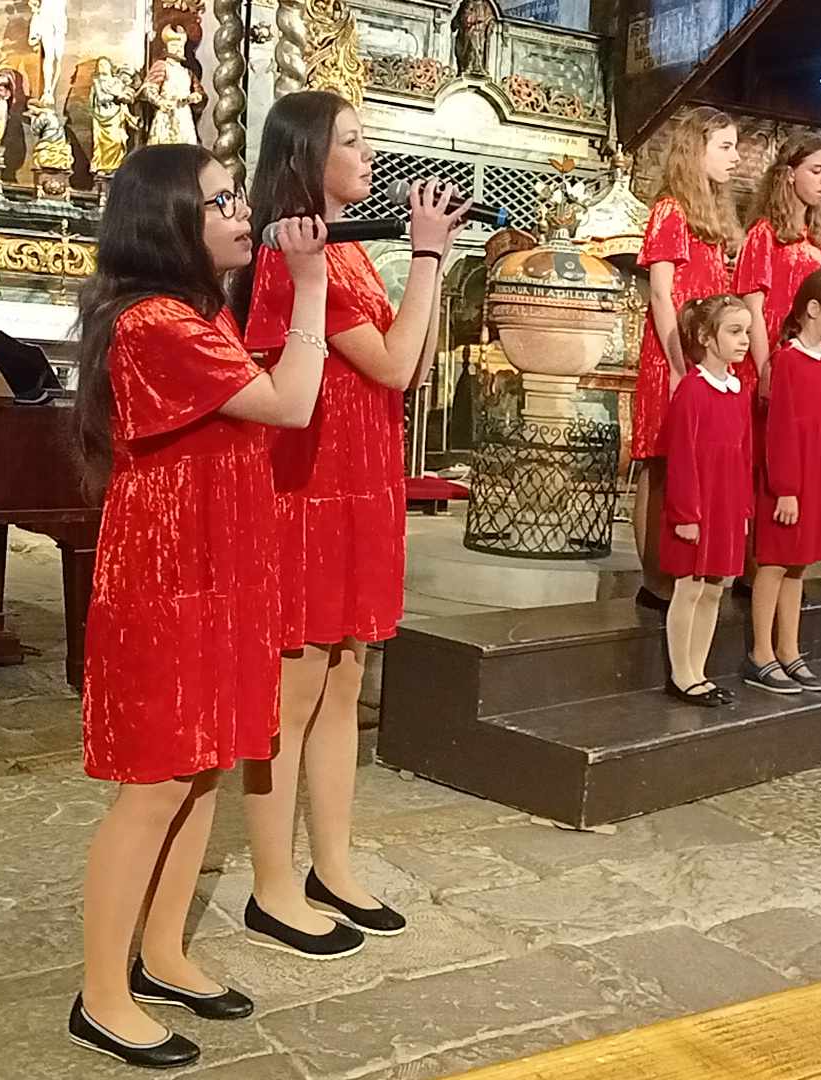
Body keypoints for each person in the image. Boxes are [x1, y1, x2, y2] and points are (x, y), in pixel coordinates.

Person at [68, 144, 330, 1068]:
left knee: (203, 771)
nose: (240, 213)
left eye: (234, 198)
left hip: (216, 569)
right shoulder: (155, 324)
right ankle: (102, 997)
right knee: (154, 788)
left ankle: (164, 952)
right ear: (168, 221)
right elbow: (292, 403)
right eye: (219, 202)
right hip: (167, 578)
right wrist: (311, 283)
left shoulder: (197, 312)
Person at [234, 90, 470, 959]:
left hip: (361, 481)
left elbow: (413, 357)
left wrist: (433, 262)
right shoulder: (296, 254)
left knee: (345, 680)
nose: (369, 156)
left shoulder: (349, 253)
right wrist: (427, 256)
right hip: (306, 490)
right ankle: (271, 885)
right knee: (292, 694)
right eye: (353, 141)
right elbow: (396, 364)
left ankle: (330, 865)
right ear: (307, 155)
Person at [630, 106, 741, 607]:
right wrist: (679, 366)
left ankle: (683, 568)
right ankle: (654, 579)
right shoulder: (671, 209)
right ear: (696, 149)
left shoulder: (711, 213)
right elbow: (661, 293)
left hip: (705, 356)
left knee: (691, 462)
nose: (734, 158)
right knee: (660, 461)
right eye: (725, 146)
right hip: (671, 352)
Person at [746, 267, 821, 693]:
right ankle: (761, 652)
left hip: (820, 478)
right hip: (789, 483)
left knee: (798, 567)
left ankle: (789, 649)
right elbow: (780, 430)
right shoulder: (787, 361)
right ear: (813, 309)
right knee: (775, 564)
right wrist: (786, 489)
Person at [657, 295, 754, 705]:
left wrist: (744, 508)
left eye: (747, 331)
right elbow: (681, 456)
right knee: (690, 588)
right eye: (734, 331)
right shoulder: (692, 391)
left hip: (726, 505)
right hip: (696, 507)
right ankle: (682, 674)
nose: (744, 340)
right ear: (705, 336)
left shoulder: (738, 391)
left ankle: (699, 670)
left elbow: (745, 454)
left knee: (715, 589)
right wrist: (686, 514)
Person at [736, 133, 821, 391]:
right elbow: (753, 310)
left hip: (809, 358)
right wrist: (765, 371)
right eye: (816, 171)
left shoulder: (818, 239)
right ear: (790, 174)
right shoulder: (764, 233)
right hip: (769, 357)